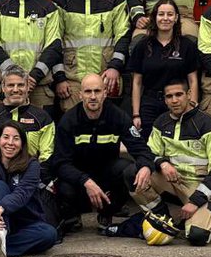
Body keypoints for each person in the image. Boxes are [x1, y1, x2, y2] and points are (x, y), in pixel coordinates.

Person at [119, 80, 211, 247]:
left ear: (188, 95)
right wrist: (163, 163)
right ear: (165, 100)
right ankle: (162, 217)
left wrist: (195, 202)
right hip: (173, 182)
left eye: (178, 95)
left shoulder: (210, 125)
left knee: (197, 236)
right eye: (169, 96)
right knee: (133, 173)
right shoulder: (161, 122)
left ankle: (210, 209)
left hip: (200, 187)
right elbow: (149, 153)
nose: (174, 100)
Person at [52, 73, 155, 231]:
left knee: (130, 170)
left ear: (105, 93)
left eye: (97, 91)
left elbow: (141, 149)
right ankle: (72, 216)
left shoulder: (118, 116)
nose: (93, 96)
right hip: (79, 180)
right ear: (80, 95)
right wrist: (86, 181)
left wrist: (146, 166)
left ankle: (107, 212)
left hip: (107, 176)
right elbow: (60, 163)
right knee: (64, 184)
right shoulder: (68, 120)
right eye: (88, 92)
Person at [52, 0, 131, 111]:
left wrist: (115, 67)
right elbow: (53, 41)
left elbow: (123, 37)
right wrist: (59, 78)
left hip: (106, 78)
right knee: (74, 129)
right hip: (72, 82)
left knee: (107, 130)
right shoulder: (62, 0)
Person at [0, 122, 58, 257]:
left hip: (26, 222)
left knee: (49, 234)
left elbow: (22, 193)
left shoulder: (32, 165)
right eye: (6, 137)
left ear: (22, 143)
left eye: (16, 138)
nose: (10, 143)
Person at [126, 0, 200, 137]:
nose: (165, 18)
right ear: (154, 17)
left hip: (177, 103)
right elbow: (136, 83)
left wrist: (192, 108)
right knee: (149, 147)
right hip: (149, 104)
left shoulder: (187, 46)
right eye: (161, 14)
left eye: (170, 14)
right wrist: (136, 114)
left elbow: (193, 80)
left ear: (176, 18)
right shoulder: (143, 45)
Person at [0, 66, 55, 167]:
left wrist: (39, 176)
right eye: (10, 85)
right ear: (3, 87)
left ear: (28, 87)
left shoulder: (42, 117)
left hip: (28, 173)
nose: (15, 89)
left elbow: (47, 154)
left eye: (20, 85)